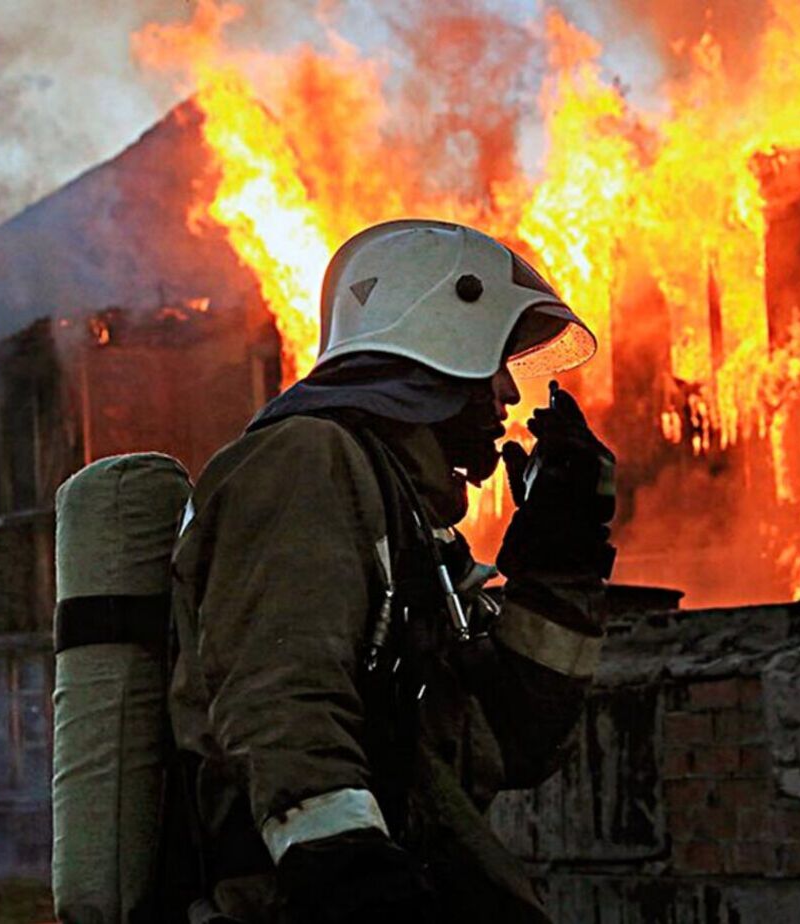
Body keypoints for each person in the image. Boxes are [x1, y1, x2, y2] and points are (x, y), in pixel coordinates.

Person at [167, 219, 617, 923]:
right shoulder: (306, 464)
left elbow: (510, 745)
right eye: (496, 361)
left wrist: (560, 559)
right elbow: (281, 699)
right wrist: (349, 874)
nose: (508, 395)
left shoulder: (407, 522)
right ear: (437, 340)